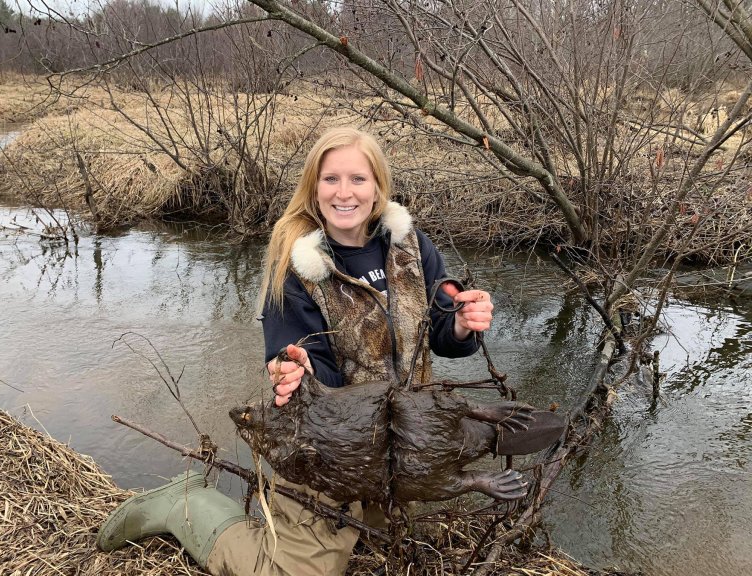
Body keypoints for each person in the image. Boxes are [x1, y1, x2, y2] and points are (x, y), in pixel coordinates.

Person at [96, 127, 503, 575]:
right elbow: (310, 376)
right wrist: (301, 371)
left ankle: (367, 516)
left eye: (358, 179)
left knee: (398, 546)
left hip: (398, 443)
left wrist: (463, 325)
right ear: (313, 188)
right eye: (330, 179)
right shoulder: (295, 271)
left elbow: (441, 330)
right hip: (326, 450)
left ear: (378, 187)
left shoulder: (411, 246)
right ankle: (185, 504)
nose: (344, 193)